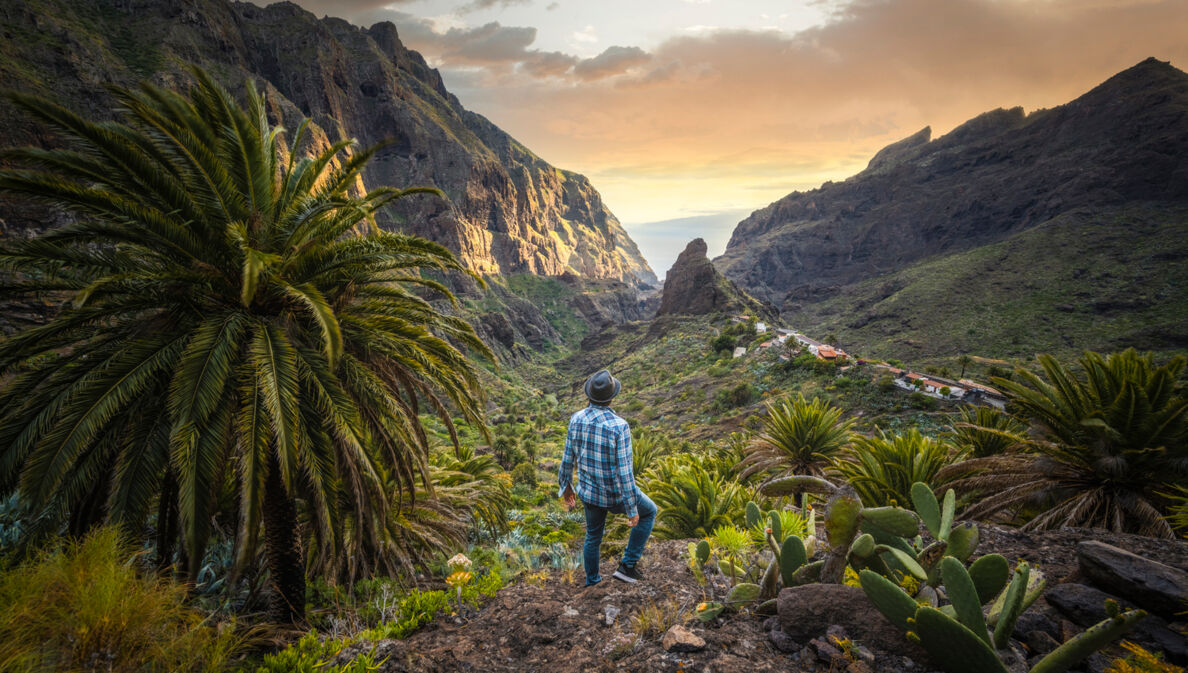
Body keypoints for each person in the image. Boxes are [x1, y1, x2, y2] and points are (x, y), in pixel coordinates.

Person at [557, 369, 658, 586]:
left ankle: (592, 581)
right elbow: (624, 473)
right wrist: (632, 509)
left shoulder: (576, 419)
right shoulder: (619, 427)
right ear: (612, 397)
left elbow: (567, 459)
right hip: (615, 496)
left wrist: (567, 488)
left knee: (593, 536)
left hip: (589, 494)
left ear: (589, 395)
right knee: (649, 511)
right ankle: (627, 566)